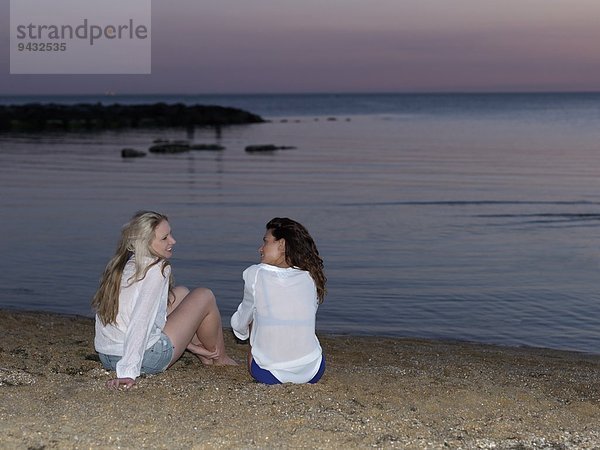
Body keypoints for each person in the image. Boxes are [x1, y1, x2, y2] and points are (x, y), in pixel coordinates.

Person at [92, 210, 236, 390]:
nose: (173, 241)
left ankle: (205, 354)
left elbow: (129, 319)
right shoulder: (155, 270)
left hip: (108, 356)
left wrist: (191, 347)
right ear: (145, 242)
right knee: (204, 295)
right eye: (164, 238)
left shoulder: (123, 265)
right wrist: (128, 372)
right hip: (145, 359)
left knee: (182, 293)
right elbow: (140, 321)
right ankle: (219, 358)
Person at [231, 217, 326, 384]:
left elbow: (240, 323)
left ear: (281, 245)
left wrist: (243, 332)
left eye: (266, 242)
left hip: (269, 374)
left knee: (254, 312)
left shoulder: (256, 273)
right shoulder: (310, 276)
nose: (260, 249)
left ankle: (268, 356)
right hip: (314, 369)